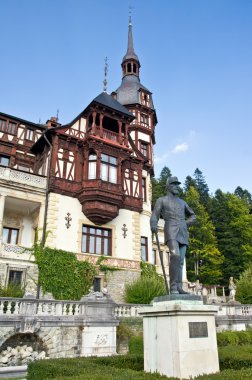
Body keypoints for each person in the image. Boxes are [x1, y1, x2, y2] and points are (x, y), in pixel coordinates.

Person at [150, 176, 196, 294]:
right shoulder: (162, 200)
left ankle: (180, 287)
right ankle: (173, 286)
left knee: (180, 261)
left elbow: (193, 216)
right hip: (170, 229)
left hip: (183, 231)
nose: (177, 187)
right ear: (168, 186)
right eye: (174, 184)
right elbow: (155, 215)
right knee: (175, 255)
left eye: (177, 184)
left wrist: (185, 223)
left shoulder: (182, 202)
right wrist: (153, 224)